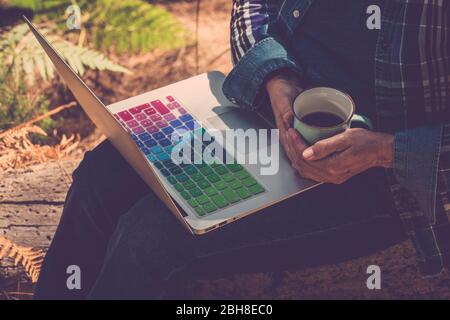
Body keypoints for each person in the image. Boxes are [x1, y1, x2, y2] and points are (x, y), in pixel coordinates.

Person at [34, 0, 450, 299]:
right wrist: (276, 79)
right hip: (263, 116)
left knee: (148, 237)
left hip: (382, 180)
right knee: (98, 178)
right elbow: (252, 7)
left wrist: (385, 150)